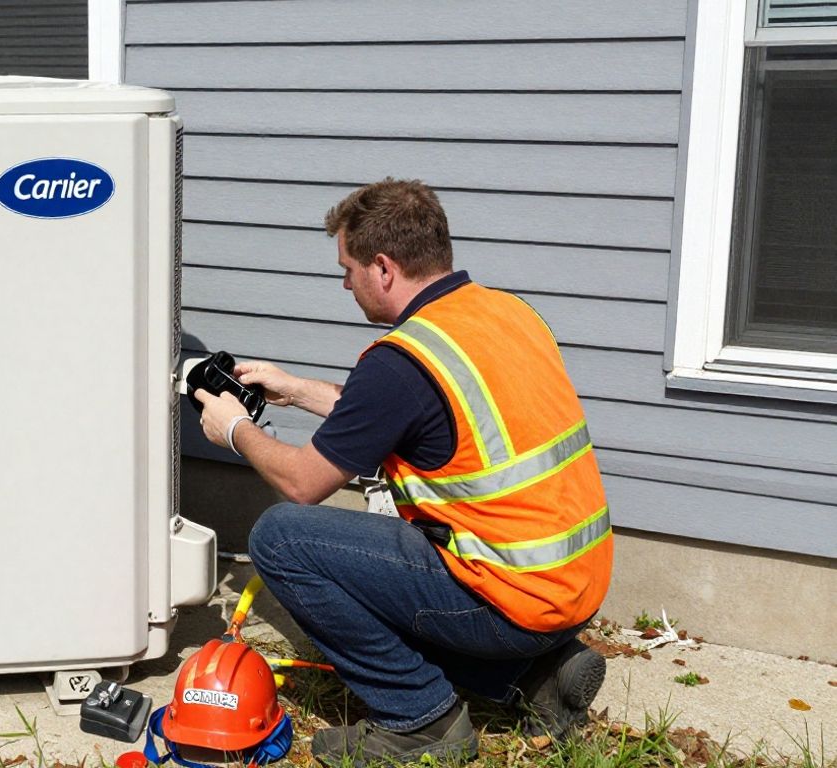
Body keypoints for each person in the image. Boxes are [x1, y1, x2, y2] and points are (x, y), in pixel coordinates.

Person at [192, 179, 612, 764]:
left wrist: (235, 429)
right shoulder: (503, 313)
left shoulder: (400, 362)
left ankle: (421, 719)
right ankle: (540, 672)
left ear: (383, 268)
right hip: (571, 584)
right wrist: (298, 390)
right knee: (391, 561)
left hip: (509, 596)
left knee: (282, 537)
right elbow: (419, 415)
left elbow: (302, 483)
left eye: (347, 268)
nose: (345, 282)